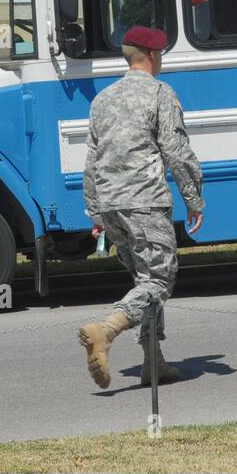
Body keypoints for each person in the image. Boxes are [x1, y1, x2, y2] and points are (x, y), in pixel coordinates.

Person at [77, 25, 204, 389]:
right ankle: (106, 330)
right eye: (161, 54)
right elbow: (176, 152)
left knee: (143, 280)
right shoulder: (160, 94)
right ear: (152, 56)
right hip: (145, 201)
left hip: (111, 204)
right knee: (159, 279)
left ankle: (153, 360)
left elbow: (91, 161)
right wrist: (194, 199)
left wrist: (96, 213)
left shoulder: (102, 100)